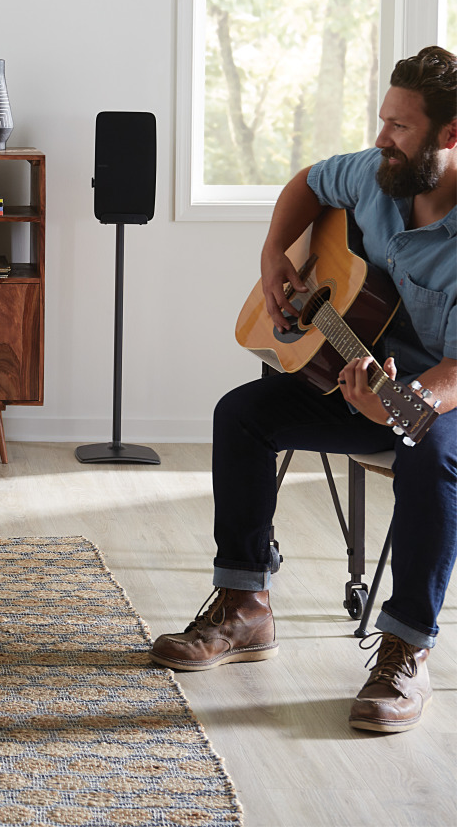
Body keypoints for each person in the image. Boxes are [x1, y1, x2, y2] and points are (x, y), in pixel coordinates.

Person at [150, 46, 457, 733]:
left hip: (441, 399)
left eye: (401, 127)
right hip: (364, 377)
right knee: (241, 416)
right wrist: (271, 259)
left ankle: (407, 650)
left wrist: (408, 404)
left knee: (429, 450)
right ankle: (245, 607)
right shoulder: (379, 176)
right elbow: (309, 184)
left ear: (450, 136)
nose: (382, 138)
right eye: (383, 119)